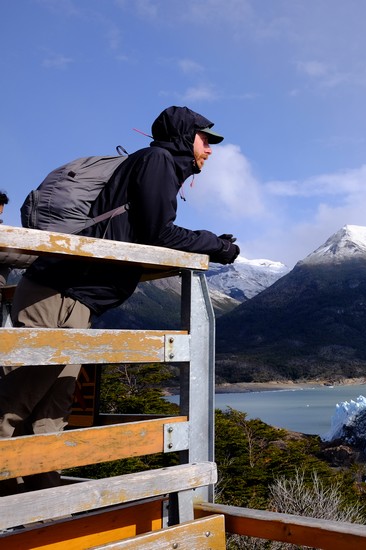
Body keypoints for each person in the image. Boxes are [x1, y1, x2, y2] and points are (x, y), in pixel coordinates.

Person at [0, 106, 239, 494]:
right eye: (205, 139)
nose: (210, 150)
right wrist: (218, 246)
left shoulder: (157, 165)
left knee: (52, 407)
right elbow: (158, 234)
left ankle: (43, 499)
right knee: (19, 398)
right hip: (60, 291)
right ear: (185, 136)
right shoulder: (158, 160)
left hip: (73, 296)